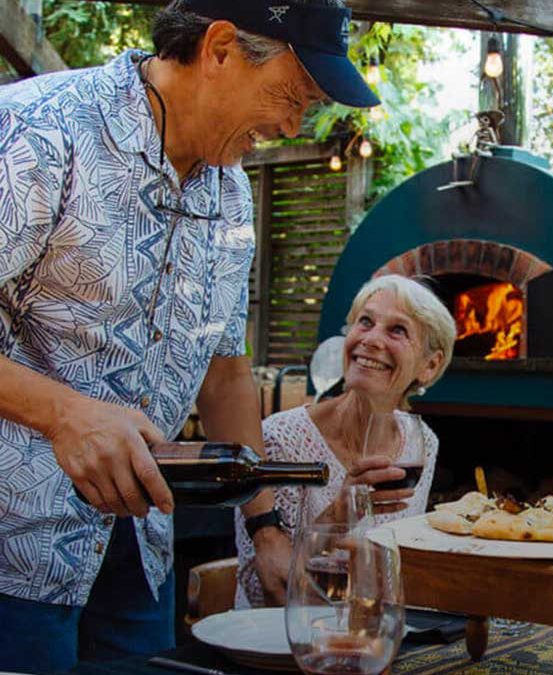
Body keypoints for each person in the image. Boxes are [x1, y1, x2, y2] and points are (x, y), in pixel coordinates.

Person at [0, 0, 378, 672]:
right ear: (222, 47)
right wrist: (62, 415)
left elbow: (225, 372)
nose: (292, 124)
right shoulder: (39, 129)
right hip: (15, 552)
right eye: (292, 96)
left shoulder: (232, 195)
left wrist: (265, 526)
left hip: (141, 550)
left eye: (309, 109)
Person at [235, 274, 457, 607]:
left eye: (397, 330)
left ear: (430, 365)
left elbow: (394, 571)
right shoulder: (279, 439)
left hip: (369, 635)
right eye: (365, 322)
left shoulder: (422, 443)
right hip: (282, 640)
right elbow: (261, 590)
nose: (371, 339)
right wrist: (340, 515)